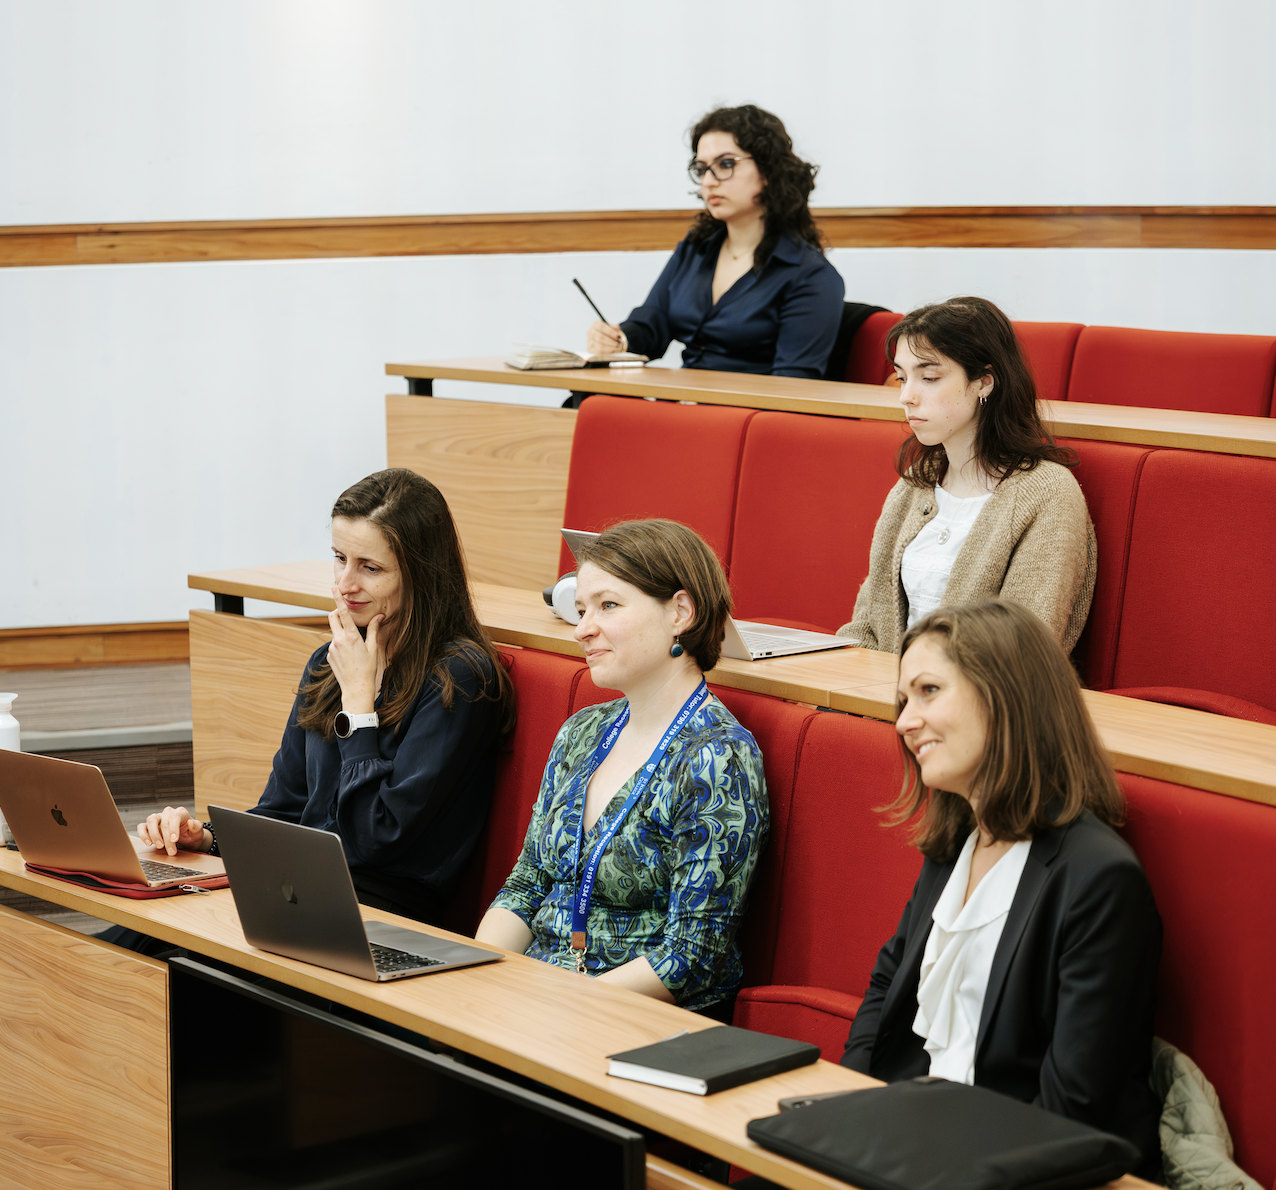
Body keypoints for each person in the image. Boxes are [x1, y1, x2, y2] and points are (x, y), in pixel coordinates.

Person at [843, 599, 1162, 1176]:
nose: (904, 722)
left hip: (1011, 1163)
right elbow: (886, 991)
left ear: (1005, 695)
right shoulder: (955, 846)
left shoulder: (1098, 878)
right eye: (902, 700)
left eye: (929, 691)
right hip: (911, 1139)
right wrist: (848, 1116)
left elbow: (1072, 1103)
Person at [137, 468, 515, 925]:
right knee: (147, 935)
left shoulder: (460, 677)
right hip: (300, 883)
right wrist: (207, 838)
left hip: (384, 907)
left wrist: (359, 705)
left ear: (421, 574)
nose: (345, 585)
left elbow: (374, 839)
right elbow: (283, 808)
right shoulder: (330, 659)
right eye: (340, 559)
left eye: (370, 568)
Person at [475, 520, 768, 1020]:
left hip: (636, 1019)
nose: (583, 628)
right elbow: (527, 885)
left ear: (680, 612)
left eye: (608, 606)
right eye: (583, 609)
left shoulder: (716, 755)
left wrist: (559, 1006)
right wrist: (483, 978)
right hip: (541, 997)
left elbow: (691, 957)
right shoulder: (582, 730)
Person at [837, 296, 1096, 654]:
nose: (907, 397)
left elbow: (1022, 651)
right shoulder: (917, 481)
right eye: (901, 378)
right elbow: (867, 623)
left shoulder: (1047, 493)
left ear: (984, 383)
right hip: (892, 696)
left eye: (928, 377)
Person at [585, 104, 844, 381]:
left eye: (726, 164)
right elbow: (652, 324)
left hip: (745, 417)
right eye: (701, 168)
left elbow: (794, 386)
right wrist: (618, 339)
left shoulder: (810, 275)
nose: (708, 181)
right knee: (585, 398)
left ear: (768, 171)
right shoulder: (696, 248)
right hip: (680, 404)